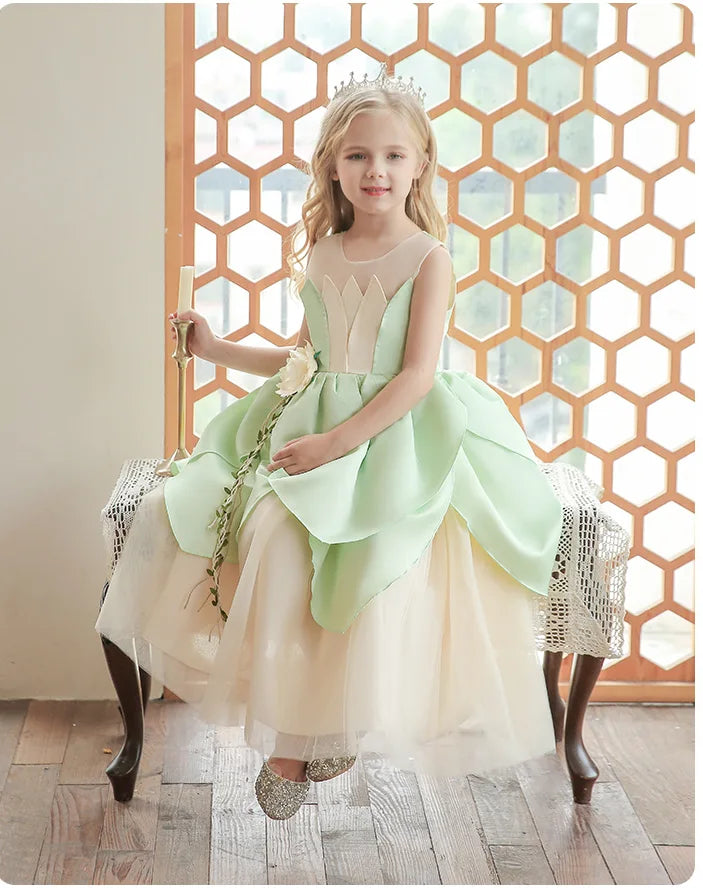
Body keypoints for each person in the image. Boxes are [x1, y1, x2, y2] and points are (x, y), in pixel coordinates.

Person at [95, 63, 563, 821]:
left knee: (348, 548)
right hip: (309, 417)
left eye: (393, 155)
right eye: (358, 155)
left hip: (392, 431)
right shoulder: (323, 251)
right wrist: (214, 349)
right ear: (333, 167)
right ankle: (319, 724)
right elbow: (303, 359)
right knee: (262, 532)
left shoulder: (429, 258)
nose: (376, 170)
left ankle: (304, 739)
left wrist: (336, 445)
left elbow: (415, 376)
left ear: (420, 165)